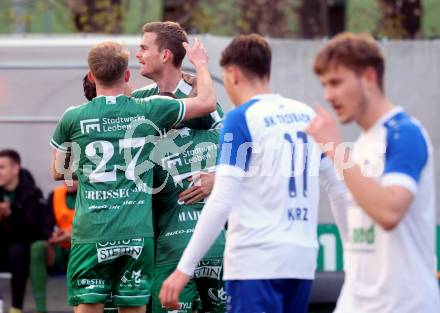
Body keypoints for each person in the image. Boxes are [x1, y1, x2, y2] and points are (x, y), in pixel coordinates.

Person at [159, 34, 348, 313]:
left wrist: (183, 269)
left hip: (255, 261)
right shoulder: (306, 114)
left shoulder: (241, 118)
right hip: (301, 260)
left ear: (232, 74)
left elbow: (221, 200)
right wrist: (354, 259)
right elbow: (339, 189)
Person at [50, 39, 216, 313]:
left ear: (91, 75)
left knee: (88, 305)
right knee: (133, 307)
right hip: (136, 234)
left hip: (92, 232)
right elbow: (208, 102)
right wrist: (199, 63)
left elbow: (58, 171)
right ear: (127, 75)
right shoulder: (150, 108)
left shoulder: (74, 117)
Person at [307, 32, 440, 313]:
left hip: (404, 305)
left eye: (336, 82)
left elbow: (390, 212)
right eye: (324, 85)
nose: (328, 95)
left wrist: (334, 148)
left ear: (368, 77)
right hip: (358, 302)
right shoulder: (364, 144)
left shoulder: (404, 134)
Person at [150, 124, 226, 313]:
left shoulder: (148, 149)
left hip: (173, 248)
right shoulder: (216, 137)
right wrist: (219, 177)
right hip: (216, 244)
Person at [133, 21, 224, 130]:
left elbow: (228, 139)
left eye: (144, 48)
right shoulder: (140, 96)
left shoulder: (199, 95)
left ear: (165, 55)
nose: (137, 55)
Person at [0, 149, 51, 313]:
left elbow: (39, 230)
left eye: (1, 167)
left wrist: (11, 214)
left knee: (18, 251)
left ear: (15, 169)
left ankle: (16, 307)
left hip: (23, 249)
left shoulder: (32, 194)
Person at [29, 181, 78, 313]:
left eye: (74, 177)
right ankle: (41, 308)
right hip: (61, 247)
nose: (69, 181)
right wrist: (53, 236)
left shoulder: (93, 194)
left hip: (84, 245)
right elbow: (45, 226)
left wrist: (72, 234)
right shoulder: (55, 195)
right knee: (38, 247)